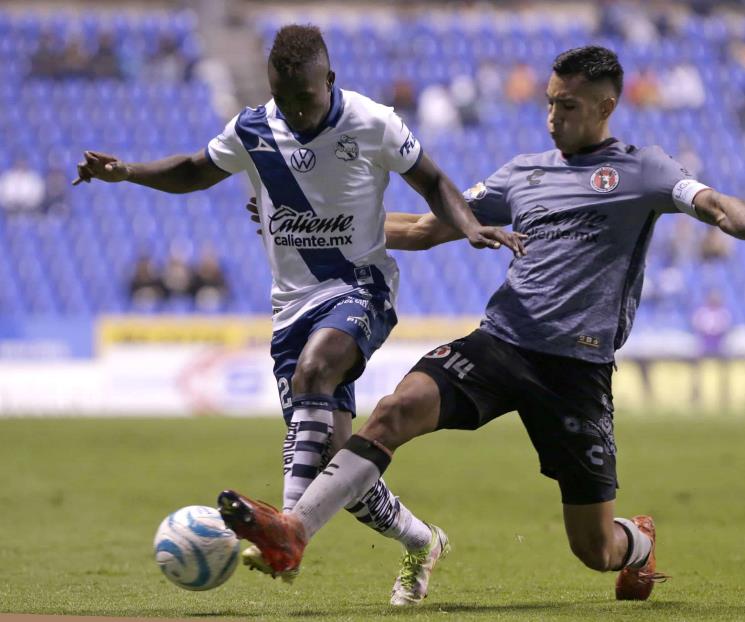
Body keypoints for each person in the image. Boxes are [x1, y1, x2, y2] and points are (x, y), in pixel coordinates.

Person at [216, 45, 745, 604]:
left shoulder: (645, 170)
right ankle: (294, 531)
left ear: (605, 105)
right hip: (500, 344)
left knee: (595, 549)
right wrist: (319, 224)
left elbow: (713, 206)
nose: (552, 117)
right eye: (548, 103)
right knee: (394, 411)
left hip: (575, 372)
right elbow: (425, 226)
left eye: (567, 107)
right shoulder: (522, 174)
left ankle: (637, 542)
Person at [73, 24, 524, 605]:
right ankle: (422, 542)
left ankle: (286, 528)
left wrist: (470, 226)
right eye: (283, 100)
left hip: (360, 287)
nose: (295, 112)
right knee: (340, 468)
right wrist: (126, 172)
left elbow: (433, 180)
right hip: (290, 309)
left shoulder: (372, 122)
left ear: (330, 80)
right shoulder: (255, 129)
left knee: (317, 371)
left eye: (305, 99)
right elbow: (192, 169)